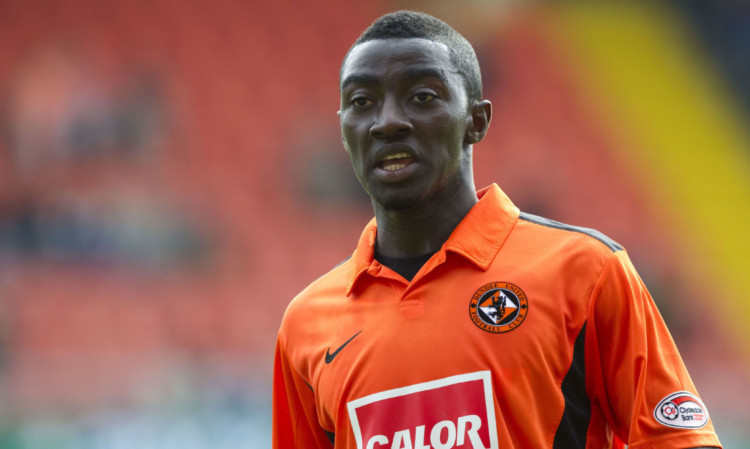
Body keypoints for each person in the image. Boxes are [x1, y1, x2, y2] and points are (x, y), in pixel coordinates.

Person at [272, 10, 722, 449]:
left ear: (477, 120)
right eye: (361, 101)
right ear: (344, 131)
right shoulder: (307, 324)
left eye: (422, 96)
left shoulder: (586, 271)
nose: (387, 120)